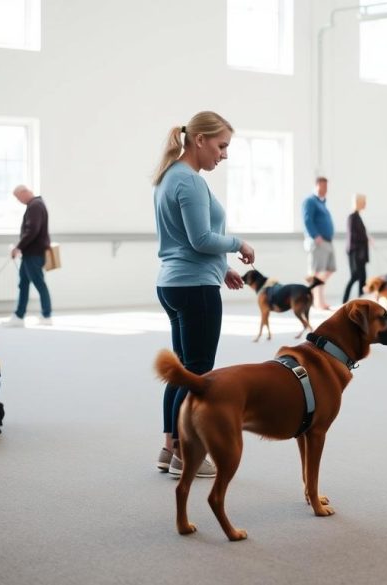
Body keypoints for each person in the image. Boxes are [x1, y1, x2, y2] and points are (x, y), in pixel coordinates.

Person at [152, 111, 255, 478]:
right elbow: (201, 239)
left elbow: (182, 241)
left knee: (180, 371)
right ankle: (185, 453)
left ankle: (169, 448)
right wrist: (238, 243)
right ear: (200, 140)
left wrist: (221, 268)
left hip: (174, 283)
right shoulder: (190, 182)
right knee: (197, 373)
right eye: (221, 145)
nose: (224, 154)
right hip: (193, 288)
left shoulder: (168, 177)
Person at [4, 185, 52, 327]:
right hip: (30, 253)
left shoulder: (35, 206)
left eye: (18, 198)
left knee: (39, 283)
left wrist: (18, 247)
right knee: (23, 284)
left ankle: (47, 315)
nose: (19, 201)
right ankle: (19, 316)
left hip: (34, 254)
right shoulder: (36, 204)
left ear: (25, 192)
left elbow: (32, 230)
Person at [302, 177, 336, 310]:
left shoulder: (322, 203)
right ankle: (316, 301)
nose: (325, 190)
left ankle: (317, 299)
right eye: (323, 187)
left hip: (328, 241)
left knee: (329, 269)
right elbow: (307, 219)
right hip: (318, 242)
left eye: (327, 187)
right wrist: (315, 236)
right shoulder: (310, 201)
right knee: (316, 273)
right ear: (316, 186)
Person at [342, 193, 370, 304]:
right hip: (355, 254)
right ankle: (344, 301)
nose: (365, 204)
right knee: (355, 276)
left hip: (361, 253)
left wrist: (367, 238)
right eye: (364, 202)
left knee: (363, 278)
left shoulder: (358, 216)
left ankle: (361, 302)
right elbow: (353, 236)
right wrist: (366, 238)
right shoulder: (352, 217)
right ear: (359, 202)